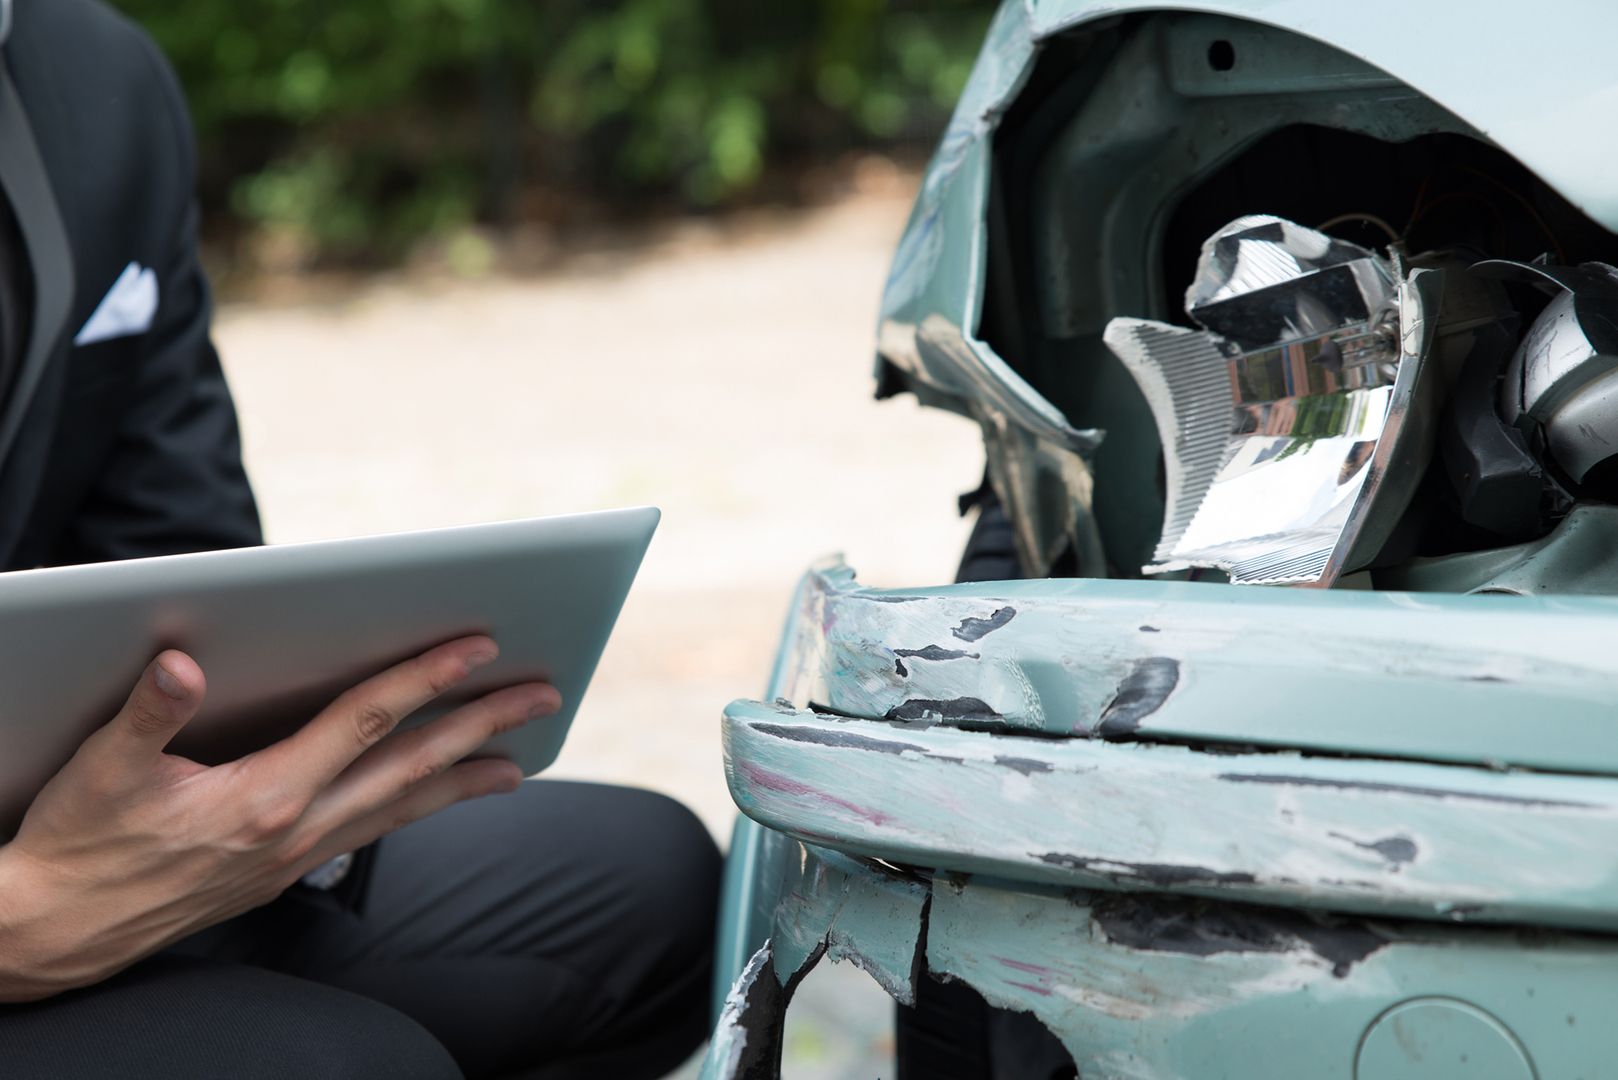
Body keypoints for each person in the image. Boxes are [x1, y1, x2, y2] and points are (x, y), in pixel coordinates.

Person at [0, 2, 721, 1077]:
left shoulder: (96, 80)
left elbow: (179, 549)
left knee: (657, 891)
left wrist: (257, 803)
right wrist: (24, 923)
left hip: (54, 813)